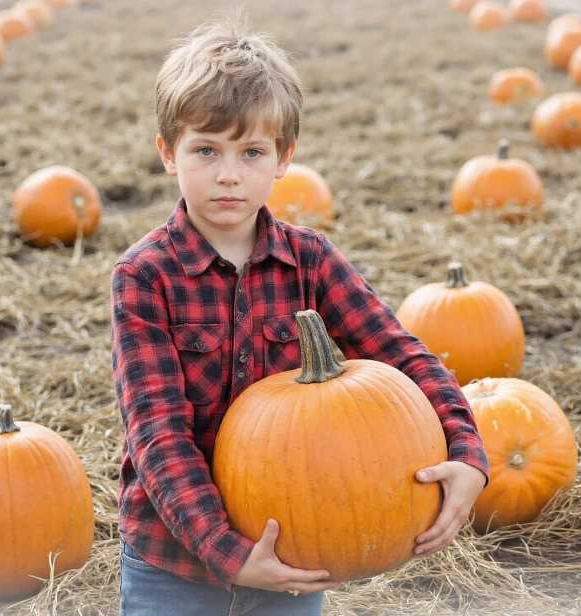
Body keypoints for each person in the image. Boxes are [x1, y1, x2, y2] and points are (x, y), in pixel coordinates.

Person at [110, 11, 490, 616]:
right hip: (174, 565)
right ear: (167, 152)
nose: (228, 175)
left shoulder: (309, 261)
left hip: (295, 555)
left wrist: (467, 452)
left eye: (251, 152)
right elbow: (157, 433)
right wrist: (226, 550)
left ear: (284, 158)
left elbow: (400, 353)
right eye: (205, 150)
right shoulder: (145, 276)